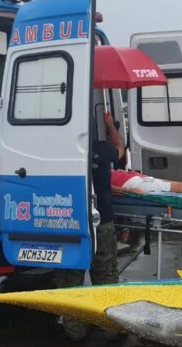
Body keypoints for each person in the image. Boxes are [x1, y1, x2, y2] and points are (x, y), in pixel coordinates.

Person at [54, 111, 124, 340]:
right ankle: (109, 328)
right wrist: (110, 125)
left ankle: (74, 330)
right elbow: (120, 149)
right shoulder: (103, 149)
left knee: (71, 278)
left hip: (71, 222)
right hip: (101, 221)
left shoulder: (62, 150)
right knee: (105, 275)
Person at [110, 169, 182, 196]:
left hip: (142, 179)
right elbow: (105, 187)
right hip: (135, 185)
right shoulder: (94, 174)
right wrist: (128, 191)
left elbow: (119, 147)